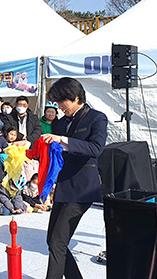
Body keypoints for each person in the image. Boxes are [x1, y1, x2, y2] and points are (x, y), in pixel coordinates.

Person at [41, 77, 108, 279]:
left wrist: (64, 140)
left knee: (58, 242)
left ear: (76, 97)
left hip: (82, 189)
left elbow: (96, 148)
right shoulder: (60, 123)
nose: (60, 107)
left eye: (63, 102)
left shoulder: (97, 118)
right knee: (52, 240)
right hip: (62, 187)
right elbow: (55, 155)